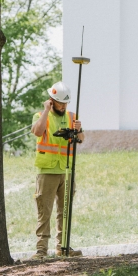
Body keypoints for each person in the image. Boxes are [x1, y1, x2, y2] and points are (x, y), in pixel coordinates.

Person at [30, 82, 85, 259]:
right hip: (47, 170)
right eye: (59, 103)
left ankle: (63, 248)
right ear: (51, 101)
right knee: (44, 211)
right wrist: (46, 111)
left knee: (65, 211)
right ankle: (41, 251)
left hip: (67, 170)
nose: (63, 106)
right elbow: (38, 132)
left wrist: (79, 130)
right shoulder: (40, 115)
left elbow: (81, 139)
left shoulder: (72, 117)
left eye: (65, 103)